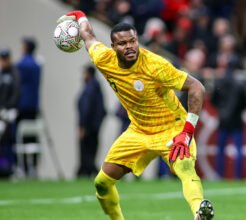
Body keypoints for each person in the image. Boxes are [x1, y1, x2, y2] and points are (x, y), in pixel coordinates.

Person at [57, 11, 214, 220]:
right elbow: (88, 36)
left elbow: (197, 87)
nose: (129, 46)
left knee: (185, 167)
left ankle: (199, 211)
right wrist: (80, 15)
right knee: (102, 183)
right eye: (122, 43)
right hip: (139, 131)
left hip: (172, 128)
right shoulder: (104, 59)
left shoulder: (155, 65)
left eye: (133, 41)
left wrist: (187, 132)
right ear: (113, 48)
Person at [16, 37, 42, 177]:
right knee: (33, 138)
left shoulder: (22, 64)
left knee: (19, 137)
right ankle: (33, 167)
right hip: (34, 106)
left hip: (22, 106)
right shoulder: (37, 65)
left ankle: (22, 168)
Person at [76, 65, 106, 178]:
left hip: (89, 126)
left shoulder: (90, 88)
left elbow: (86, 107)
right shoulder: (96, 86)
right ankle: (88, 171)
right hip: (95, 126)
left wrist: (83, 126)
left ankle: (89, 171)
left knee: (86, 150)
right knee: (92, 150)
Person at [0, 49, 19, 178]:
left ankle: (8, 167)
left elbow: (16, 94)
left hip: (9, 113)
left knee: (8, 140)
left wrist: (8, 108)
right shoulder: (1, 74)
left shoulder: (14, 73)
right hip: (1, 112)